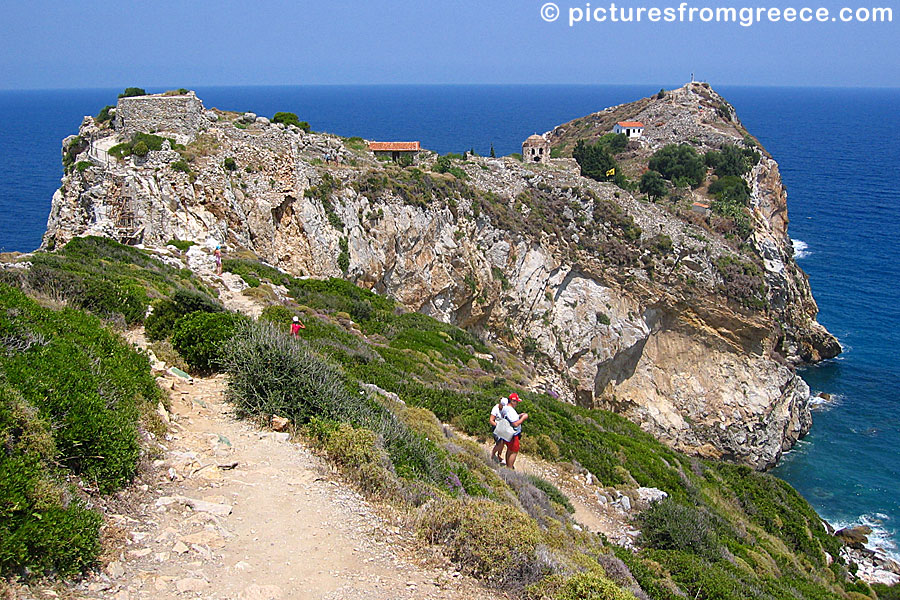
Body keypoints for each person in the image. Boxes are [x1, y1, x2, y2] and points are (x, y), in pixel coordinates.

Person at [501, 392, 528, 470]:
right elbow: (515, 424)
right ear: (512, 401)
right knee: (514, 451)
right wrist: (523, 418)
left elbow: (511, 418)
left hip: (507, 432)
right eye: (516, 402)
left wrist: (519, 415)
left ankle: (508, 465)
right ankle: (509, 468)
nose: (517, 403)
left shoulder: (506, 408)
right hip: (513, 434)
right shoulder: (510, 410)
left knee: (509, 449)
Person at [489, 397, 509, 464]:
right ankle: (492, 455)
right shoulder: (495, 409)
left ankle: (499, 455)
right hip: (496, 428)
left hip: (503, 427)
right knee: (499, 443)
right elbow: (491, 420)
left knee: (503, 443)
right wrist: (498, 426)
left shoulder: (505, 409)